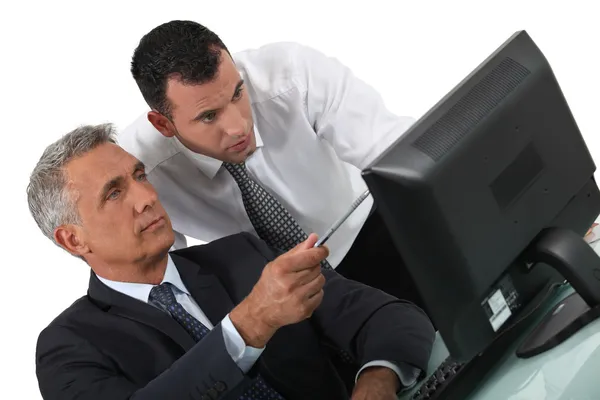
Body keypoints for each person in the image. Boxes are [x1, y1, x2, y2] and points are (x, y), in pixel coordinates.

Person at [28, 124, 435, 400]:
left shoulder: (242, 254)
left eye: (140, 176)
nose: (146, 197)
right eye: (114, 194)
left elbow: (391, 317)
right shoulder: (67, 347)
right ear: (72, 239)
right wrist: (250, 324)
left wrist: (376, 382)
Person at [119, 19, 426, 310]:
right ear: (163, 125)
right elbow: (159, 272)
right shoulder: (135, 170)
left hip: (373, 234)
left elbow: (399, 155)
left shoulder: (292, 73)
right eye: (209, 116)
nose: (238, 127)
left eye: (238, 94)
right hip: (279, 299)